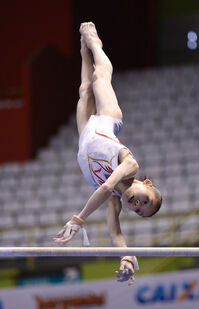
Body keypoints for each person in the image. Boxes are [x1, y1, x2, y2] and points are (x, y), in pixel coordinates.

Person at [53, 22, 162, 284]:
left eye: (139, 211)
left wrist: (126, 259)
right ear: (146, 184)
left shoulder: (115, 199)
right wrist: (79, 220)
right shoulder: (130, 166)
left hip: (85, 134)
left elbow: (116, 235)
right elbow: (104, 187)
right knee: (101, 77)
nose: (136, 206)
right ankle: (94, 42)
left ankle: (83, 51)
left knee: (84, 89)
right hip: (106, 119)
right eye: (145, 201)